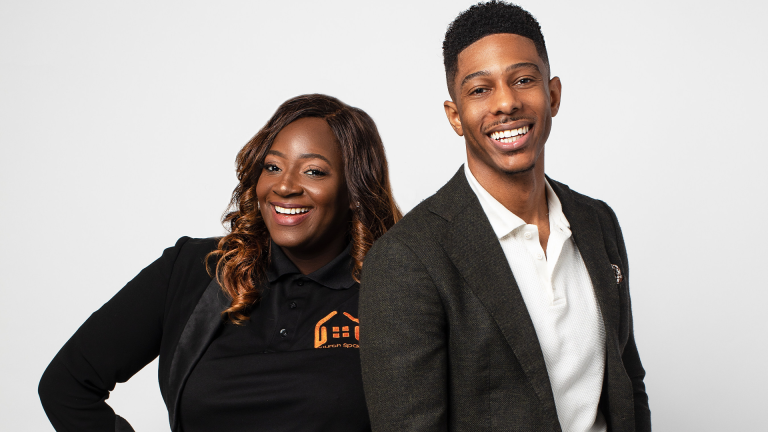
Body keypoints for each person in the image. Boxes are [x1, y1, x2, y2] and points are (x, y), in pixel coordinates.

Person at [359, 2, 650, 431]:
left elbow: (627, 383)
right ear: (455, 116)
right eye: (480, 89)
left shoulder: (597, 221)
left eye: (523, 80)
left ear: (553, 95)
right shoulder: (407, 258)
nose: (507, 103)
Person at [38, 94, 401, 432]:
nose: (284, 186)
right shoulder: (195, 269)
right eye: (272, 167)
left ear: (355, 190)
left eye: (314, 171)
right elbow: (66, 385)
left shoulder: (397, 292)